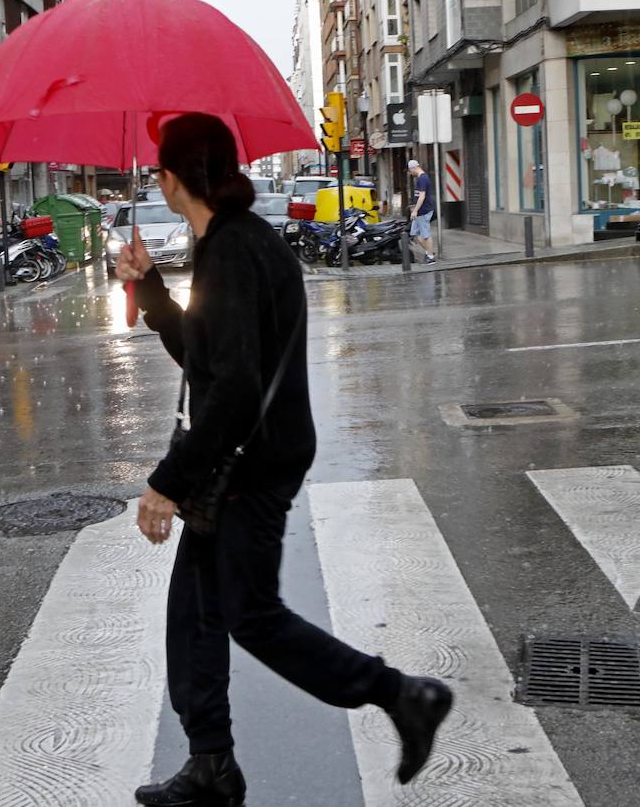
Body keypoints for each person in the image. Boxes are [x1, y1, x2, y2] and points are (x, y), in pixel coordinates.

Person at [117, 113, 452, 807]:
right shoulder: (226, 244)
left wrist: (165, 485)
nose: (156, 178)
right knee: (195, 615)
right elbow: (209, 360)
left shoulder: (236, 251)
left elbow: (236, 389)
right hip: (240, 459)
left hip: (251, 463)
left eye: (160, 168)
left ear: (175, 179)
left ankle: (402, 695)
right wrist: (151, 290)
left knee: (251, 614)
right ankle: (210, 763)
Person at [407, 159, 437, 264]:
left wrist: (415, 210)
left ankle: (431, 257)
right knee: (415, 233)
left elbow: (422, 196)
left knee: (425, 234)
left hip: (423, 211)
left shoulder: (422, 178)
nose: (410, 173)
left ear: (413, 168)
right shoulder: (420, 178)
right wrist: (414, 208)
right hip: (419, 211)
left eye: (410, 171)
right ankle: (430, 252)